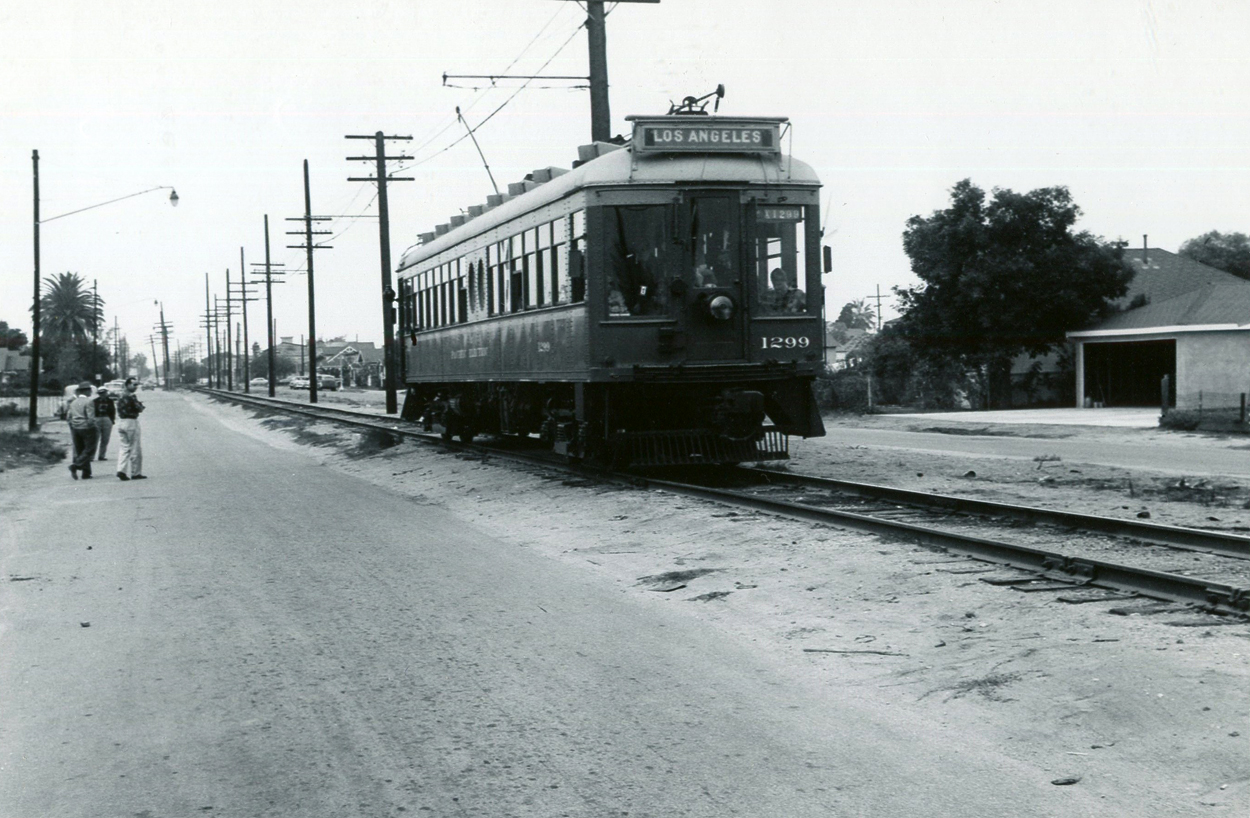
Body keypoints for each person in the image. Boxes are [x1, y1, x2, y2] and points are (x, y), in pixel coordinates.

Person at [115, 377, 146, 481]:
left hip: (121, 422)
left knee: (124, 447)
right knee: (135, 448)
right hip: (131, 422)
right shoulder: (131, 397)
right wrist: (140, 405)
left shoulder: (120, 396)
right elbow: (139, 408)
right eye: (134, 385)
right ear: (127, 385)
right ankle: (136, 472)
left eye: (136, 385)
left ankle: (121, 470)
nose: (135, 387)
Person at [66, 382, 97, 480]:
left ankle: (86, 473)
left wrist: (73, 425)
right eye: (89, 390)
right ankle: (75, 465)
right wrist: (93, 427)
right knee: (89, 449)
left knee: (81, 450)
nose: (91, 392)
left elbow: (68, 417)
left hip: (76, 428)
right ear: (86, 391)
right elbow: (91, 418)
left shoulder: (73, 402)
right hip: (86, 427)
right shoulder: (89, 402)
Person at [93, 385, 116, 461]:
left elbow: (113, 411)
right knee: (95, 438)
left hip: (106, 418)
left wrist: (112, 420)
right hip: (97, 418)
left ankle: (101, 455)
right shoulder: (94, 401)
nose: (103, 394)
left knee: (105, 439)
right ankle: (91, 456)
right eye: (101, 393)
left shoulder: (110, 401)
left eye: (104, 393)